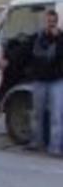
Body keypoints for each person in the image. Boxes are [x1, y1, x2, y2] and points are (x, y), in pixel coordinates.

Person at [24, 9, 63, 155]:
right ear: (44, 22)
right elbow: (23, 51)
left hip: (57, 81)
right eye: (48, 21)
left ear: (57, 22)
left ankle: (55, 147)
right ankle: (36, 142)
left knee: (57, 115)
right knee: (37, 113)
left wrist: (56, 39)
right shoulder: (37, 37)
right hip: (39, 80)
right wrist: (5, 58)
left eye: (53, 22)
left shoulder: (61, 38)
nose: (51, 24)